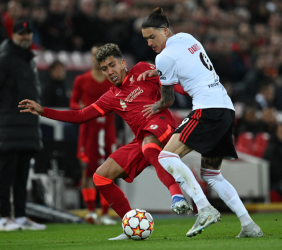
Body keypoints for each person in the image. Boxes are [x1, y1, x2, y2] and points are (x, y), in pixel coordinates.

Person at [18, 43, 192, 240]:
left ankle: (177, 195)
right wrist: (43, 111)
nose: (109, 72)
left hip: (162, 124)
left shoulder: (142, 69)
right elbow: (80, 115)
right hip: (142, 138)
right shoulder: (111, 97)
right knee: (100, 176)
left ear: (123, 63)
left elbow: (172, 80)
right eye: (104, 68)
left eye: (112, 65)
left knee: (149, 144)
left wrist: (194, 90)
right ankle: (130, 226)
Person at [138, 7, 262, 238]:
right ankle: (249, 225)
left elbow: (168, 100)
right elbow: (189, 67)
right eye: (146, 39)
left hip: (207, 109)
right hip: (225, 108)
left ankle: (204, 209)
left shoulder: (163, 57)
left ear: (164, 31)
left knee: (166, 156)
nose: (149, 43)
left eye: (152, 37)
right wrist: (160, 73)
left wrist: (153, 107)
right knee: (212, 174)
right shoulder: (186, 37)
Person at [0, 20, 45, 231]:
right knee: (5, 174)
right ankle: (2, 217)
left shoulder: (28, 60)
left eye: (28, 33)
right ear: (13, 35)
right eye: (21, 34)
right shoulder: (5, 59)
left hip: (27, 127)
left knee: (22, 176)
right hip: (8, 127)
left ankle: (19, 216)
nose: (25, 37)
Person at [69, 44, 117, 225]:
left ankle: (105, 213)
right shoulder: (81, 80)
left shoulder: (112, 79)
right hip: (88, 129)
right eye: (94, 55)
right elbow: (73, 103)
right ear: (90, 58)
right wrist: (82, 109)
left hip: (108, 128)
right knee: (87, 169)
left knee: (109, 169)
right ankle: (91, 212)